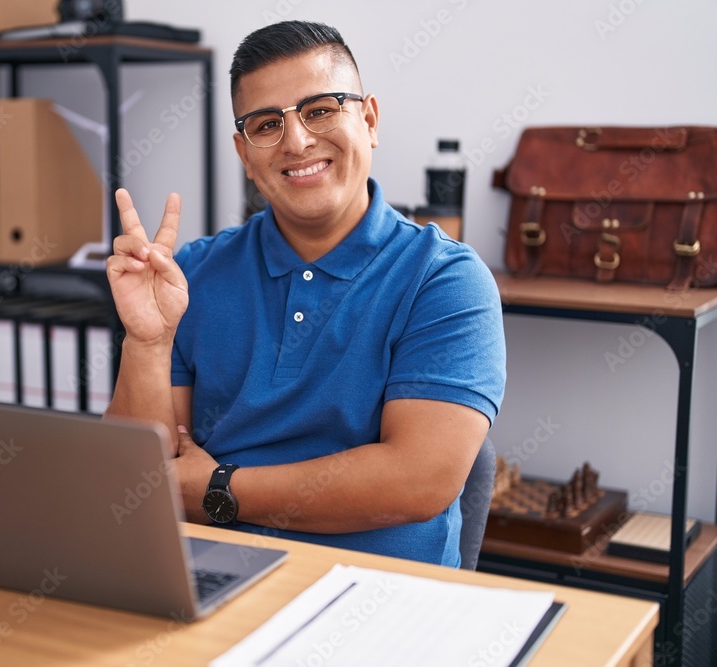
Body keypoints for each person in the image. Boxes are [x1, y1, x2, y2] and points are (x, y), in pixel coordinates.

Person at [104, 20, 505, 567]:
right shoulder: (188, 274)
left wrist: (220, 488)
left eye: (320, 110)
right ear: (245, 155)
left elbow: (417, 482)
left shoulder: (445, 280)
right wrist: (146, 342)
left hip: (378, 601)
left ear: (368, 119)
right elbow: (139, 482)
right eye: (267, 124)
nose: (296, 141)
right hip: (207, 579)